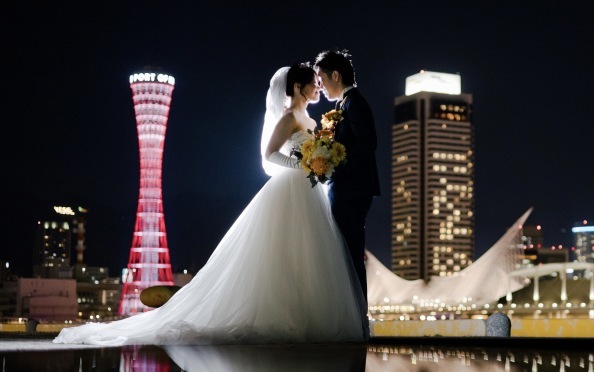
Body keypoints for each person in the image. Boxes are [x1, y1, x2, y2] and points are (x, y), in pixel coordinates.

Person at [53, 63, 368, 346]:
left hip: (309, 191)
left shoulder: (309, 118)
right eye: (313, 82)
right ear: (298, 88)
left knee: (307, 255)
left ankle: (308, 316)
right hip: (292, 187)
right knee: (282, 252)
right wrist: (302, 165)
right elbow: (269, 155)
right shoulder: (287, 117)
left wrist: (319, 162)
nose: (317, 86)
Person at [313, 49, 380, 309]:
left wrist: (334, 170)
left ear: (336, 75)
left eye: (321, 78)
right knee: (345, 254)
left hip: (352, 191)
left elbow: (367, 144)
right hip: (346, 189)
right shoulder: (343, 104)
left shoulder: (354, 102)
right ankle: (351, 313)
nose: (320, 85)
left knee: (351, 254)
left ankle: (358, 317)